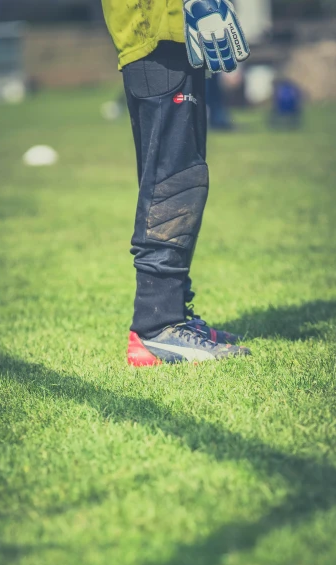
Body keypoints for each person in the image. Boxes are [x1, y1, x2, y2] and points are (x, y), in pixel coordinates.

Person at [101, 0, 252, 365]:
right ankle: (157, 325)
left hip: (170, 34)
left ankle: (172, 313)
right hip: (157, 33)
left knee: (183, 172)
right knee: (175, 180)